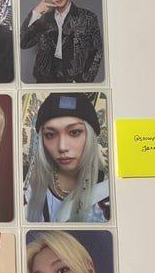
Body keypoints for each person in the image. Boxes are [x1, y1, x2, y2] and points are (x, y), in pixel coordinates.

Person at [24, 92, 110, 222]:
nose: (62, 147)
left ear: (91, 136)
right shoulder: (25, 184)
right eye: (50, 135)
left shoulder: (108, 193)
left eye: (74, 132)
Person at [20, 0, 102, 83]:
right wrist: (36, 11)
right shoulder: (43, 19)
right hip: (44, 80)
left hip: (73, 80)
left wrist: (84, 82)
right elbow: (24, 43)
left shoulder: (87, 17)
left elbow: (97, 52)